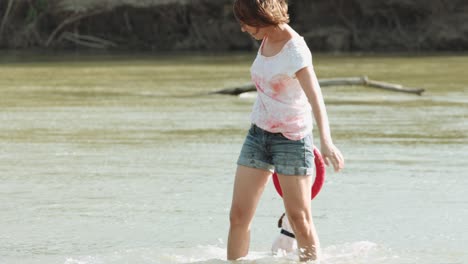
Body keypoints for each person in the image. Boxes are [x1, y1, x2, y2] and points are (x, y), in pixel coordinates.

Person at [227, 0, 345, 262]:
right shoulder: (266, 37)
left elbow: (316, 98)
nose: (244, 29)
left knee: (300, 220)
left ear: (262, 16)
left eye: (246, 22)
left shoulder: (296, 51)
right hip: (258, 135)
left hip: (292, 141)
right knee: (238, 215)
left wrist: (326, 140)